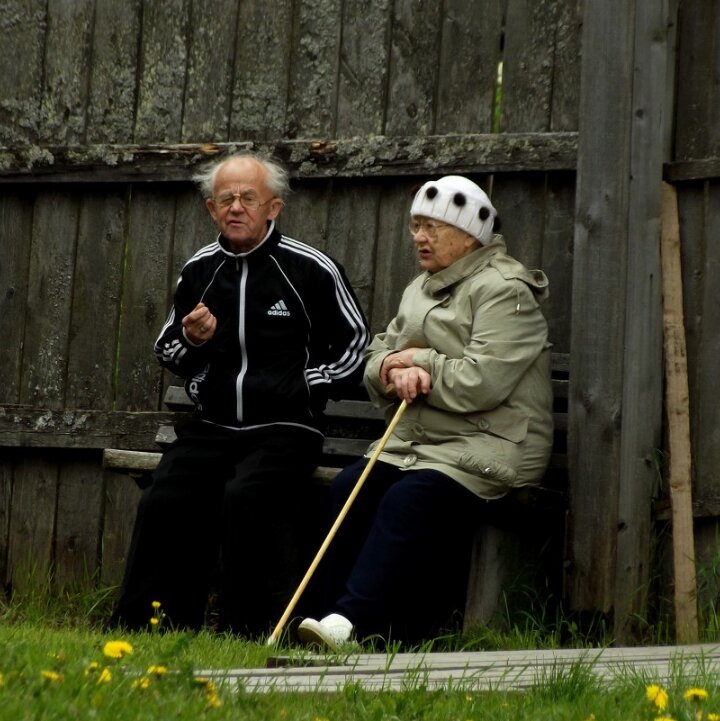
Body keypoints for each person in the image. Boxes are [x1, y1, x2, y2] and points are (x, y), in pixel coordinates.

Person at [109, 152, 369, 636]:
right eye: (225, 199)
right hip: (214, 424)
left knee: (246, 497)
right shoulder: (201, 269)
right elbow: (168, 349)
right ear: (211, 210)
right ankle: (147, 629)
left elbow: (357, 345)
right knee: (165, 497)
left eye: (248, 198)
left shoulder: (310, 268)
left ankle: (248, 631)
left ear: (273, 208)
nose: (236, 207)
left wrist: (310, 383)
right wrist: (193, 340)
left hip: (287, 427)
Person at [297, 175, 554, 649]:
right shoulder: (421, 287)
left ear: (469, 236)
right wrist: (393, 366)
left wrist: (421, 364)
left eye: (433, 227)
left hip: (491, 444)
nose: (419, 237)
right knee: (349, 486)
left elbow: (484, 382)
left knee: (409, 500)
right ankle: (321, 622)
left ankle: (354, 623)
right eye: (416, 226)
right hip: (421, 444)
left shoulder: (505, 290)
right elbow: (377, 355)